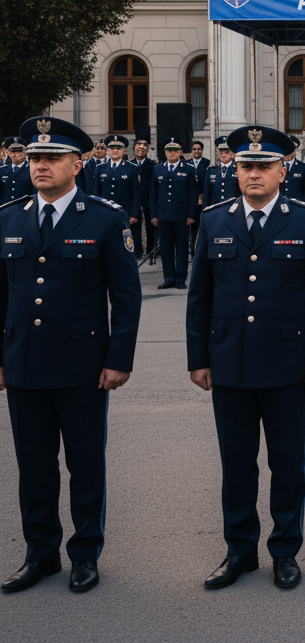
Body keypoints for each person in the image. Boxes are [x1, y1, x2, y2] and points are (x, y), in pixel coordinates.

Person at [186, 124, 305, 591]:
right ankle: (239, 551)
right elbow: (200, 298)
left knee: (287, 463)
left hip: (288, 362)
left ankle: (285, 551)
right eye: (245, 166)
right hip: (228, 360)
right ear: (234, 169)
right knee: (236, 462)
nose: (253, 174)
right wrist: (198, 358)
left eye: (262, 166)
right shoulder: (214, 220)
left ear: (282, 170)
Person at [0, 116, 141, 595]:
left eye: (51, 158)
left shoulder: (104, 217)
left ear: (76, 165)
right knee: (34, 466)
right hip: (23, 363)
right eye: (34, 157)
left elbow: (125, 296)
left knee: (84, 464)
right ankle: (40, 554)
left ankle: (85, 554)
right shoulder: (9, 216)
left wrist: (119, 358)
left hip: (83, 365)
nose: (39, 165)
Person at [150, 137, 198, 290]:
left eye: (175, 151)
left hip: (181, 216)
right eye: (169, 151)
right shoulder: (158, 169)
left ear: (180, 152)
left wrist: (191, 215)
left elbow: (193, 194)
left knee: (182, 249)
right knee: (165, 249)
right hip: (163, 215)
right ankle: (169, 278)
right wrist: (154, 215)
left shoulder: (189, 169)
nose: (172, 153)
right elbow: (153, 194)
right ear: (165, 153)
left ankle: (180, 279)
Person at [94, 135, 142, 242]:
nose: (115, 151)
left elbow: (136, 194)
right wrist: (96, 212)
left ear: (124, 151)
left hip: (125, 212)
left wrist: (134, 214)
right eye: (111, 148)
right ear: (107, 151)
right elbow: (96, 192)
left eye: (118, 148)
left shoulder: (132, 168)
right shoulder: (100, 168)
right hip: (105, 211)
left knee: (125, 241)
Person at [130, 137, 157, 256]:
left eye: (144, 145)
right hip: (134, 200)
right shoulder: (130, 164)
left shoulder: (153, 165)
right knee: (135, 226)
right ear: (134, 148)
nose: (141, 148)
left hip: (149, 199)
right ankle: (137, 250)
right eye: (138, 145)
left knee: (151, 227)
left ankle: (151, 250)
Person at [187, 140, 211, 254]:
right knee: (192, 225)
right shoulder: (186, 163)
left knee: (203, 224)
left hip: (204, 198)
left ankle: (202, 248)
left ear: (202, 150)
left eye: (199, 149)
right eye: (194, 149)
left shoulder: (208, 163)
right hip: (191, 199)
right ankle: (192, 249)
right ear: (191, 151)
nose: (196, 151)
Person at [204, 137, 239, 207]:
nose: (223, 155)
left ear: (232, 154)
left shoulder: (238, 169)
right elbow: (207, 195)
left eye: (226, 152)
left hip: (233, 209)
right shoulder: (211, 170)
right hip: (216, 209)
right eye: (221, 152)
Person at [281, 135, 305, 204]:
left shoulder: (304, 168)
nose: (289, 150)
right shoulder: (275, 167)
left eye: (292, 148)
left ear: (296, 149)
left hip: (297, 209)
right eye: (286, 147)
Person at [0, 138, 31, 204]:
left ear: (25, 153)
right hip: (5, 208)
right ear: (9, 154)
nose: (14, 155)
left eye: (18, 152)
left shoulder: (31, 170)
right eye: (12, 152)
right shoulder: (2, 170)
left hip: (24, 209)